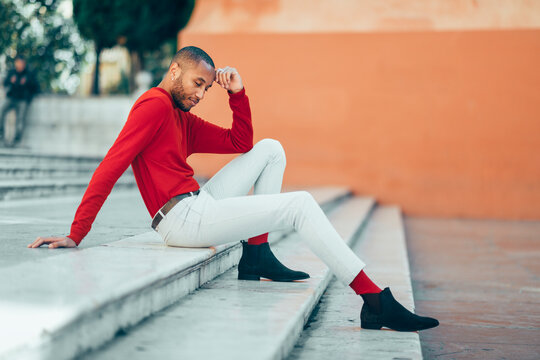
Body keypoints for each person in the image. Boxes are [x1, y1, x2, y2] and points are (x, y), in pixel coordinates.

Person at [28, 46, 439, 332]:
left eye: (207, 86)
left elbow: (241, 143)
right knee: (299, 204)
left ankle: (256, 254)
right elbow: (112, 163)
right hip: (181, 221)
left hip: (198, 205)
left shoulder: (180, 116)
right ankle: (373, 300)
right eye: (196, 82)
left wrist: (237, 93)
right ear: (174, 71)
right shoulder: (153, 105)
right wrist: (75, 233)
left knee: (269, 150)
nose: (201, 93)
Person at [0, 55, 39, 145]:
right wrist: (11, 81)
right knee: (1, 110)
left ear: (24, 64)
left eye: (21, 63)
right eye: (18, 63)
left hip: (22, 100)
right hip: (11, 97)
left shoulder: (28, 74)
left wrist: (26, 83)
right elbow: (5, 83)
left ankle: (17, 139)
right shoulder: (12, 72)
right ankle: (1, 133)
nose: (19, 65)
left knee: (20, 119)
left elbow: (35, 87)